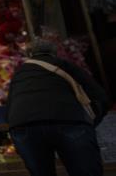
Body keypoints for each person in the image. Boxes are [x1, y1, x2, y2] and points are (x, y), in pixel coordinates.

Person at [6, 38, 110, 176]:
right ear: (54, 53)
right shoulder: (64, 65)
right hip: (68, 121)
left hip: (23, 128)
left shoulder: (19, 74)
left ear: (29, 54)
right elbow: (100, 97)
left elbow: (9, 108)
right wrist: (91, 120)